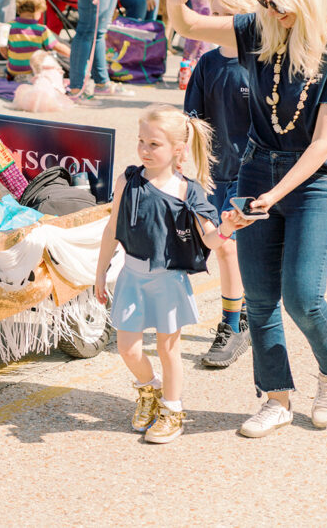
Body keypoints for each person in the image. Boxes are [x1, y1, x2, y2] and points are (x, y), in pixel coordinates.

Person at [165, 0, 327, 438]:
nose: (266, 10)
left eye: (274, 2)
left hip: (316, 181)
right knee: (261, 296)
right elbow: (187, 24)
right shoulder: (257, 28)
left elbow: (322, 144)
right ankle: (275, 399)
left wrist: (274, 195)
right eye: (262, 0)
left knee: (303, 295)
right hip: (257, 169)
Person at [95, 104, 241, 444]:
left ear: (178, 149)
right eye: (141, 141)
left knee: (167, 349)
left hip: (168, 280)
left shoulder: (187, 190)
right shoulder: (127, 180)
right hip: (131, 275)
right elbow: (112, 229)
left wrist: (227, 229)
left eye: (154, 144)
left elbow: (208, 239)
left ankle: (172, 410)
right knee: (128, 348)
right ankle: (150, 391)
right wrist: (100, 272)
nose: (145, 150)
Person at [183, 0, 257, 369]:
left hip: (255, 178)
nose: (216, 21)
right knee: (222, 247)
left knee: (229, 247)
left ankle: (234, 322)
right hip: (216, 175)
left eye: (226, 14)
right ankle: (242, 313)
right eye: (213, 12)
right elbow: (191, 120)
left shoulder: (261, 62)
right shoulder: (208, 64)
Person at [6, 0, 71, 80]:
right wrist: (73, 55)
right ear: (37, 10)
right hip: (33, 71)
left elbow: (3, 49)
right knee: (50, 55)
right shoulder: (41, 30)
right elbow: (58, 48)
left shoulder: (10, 26)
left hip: (13, 70)